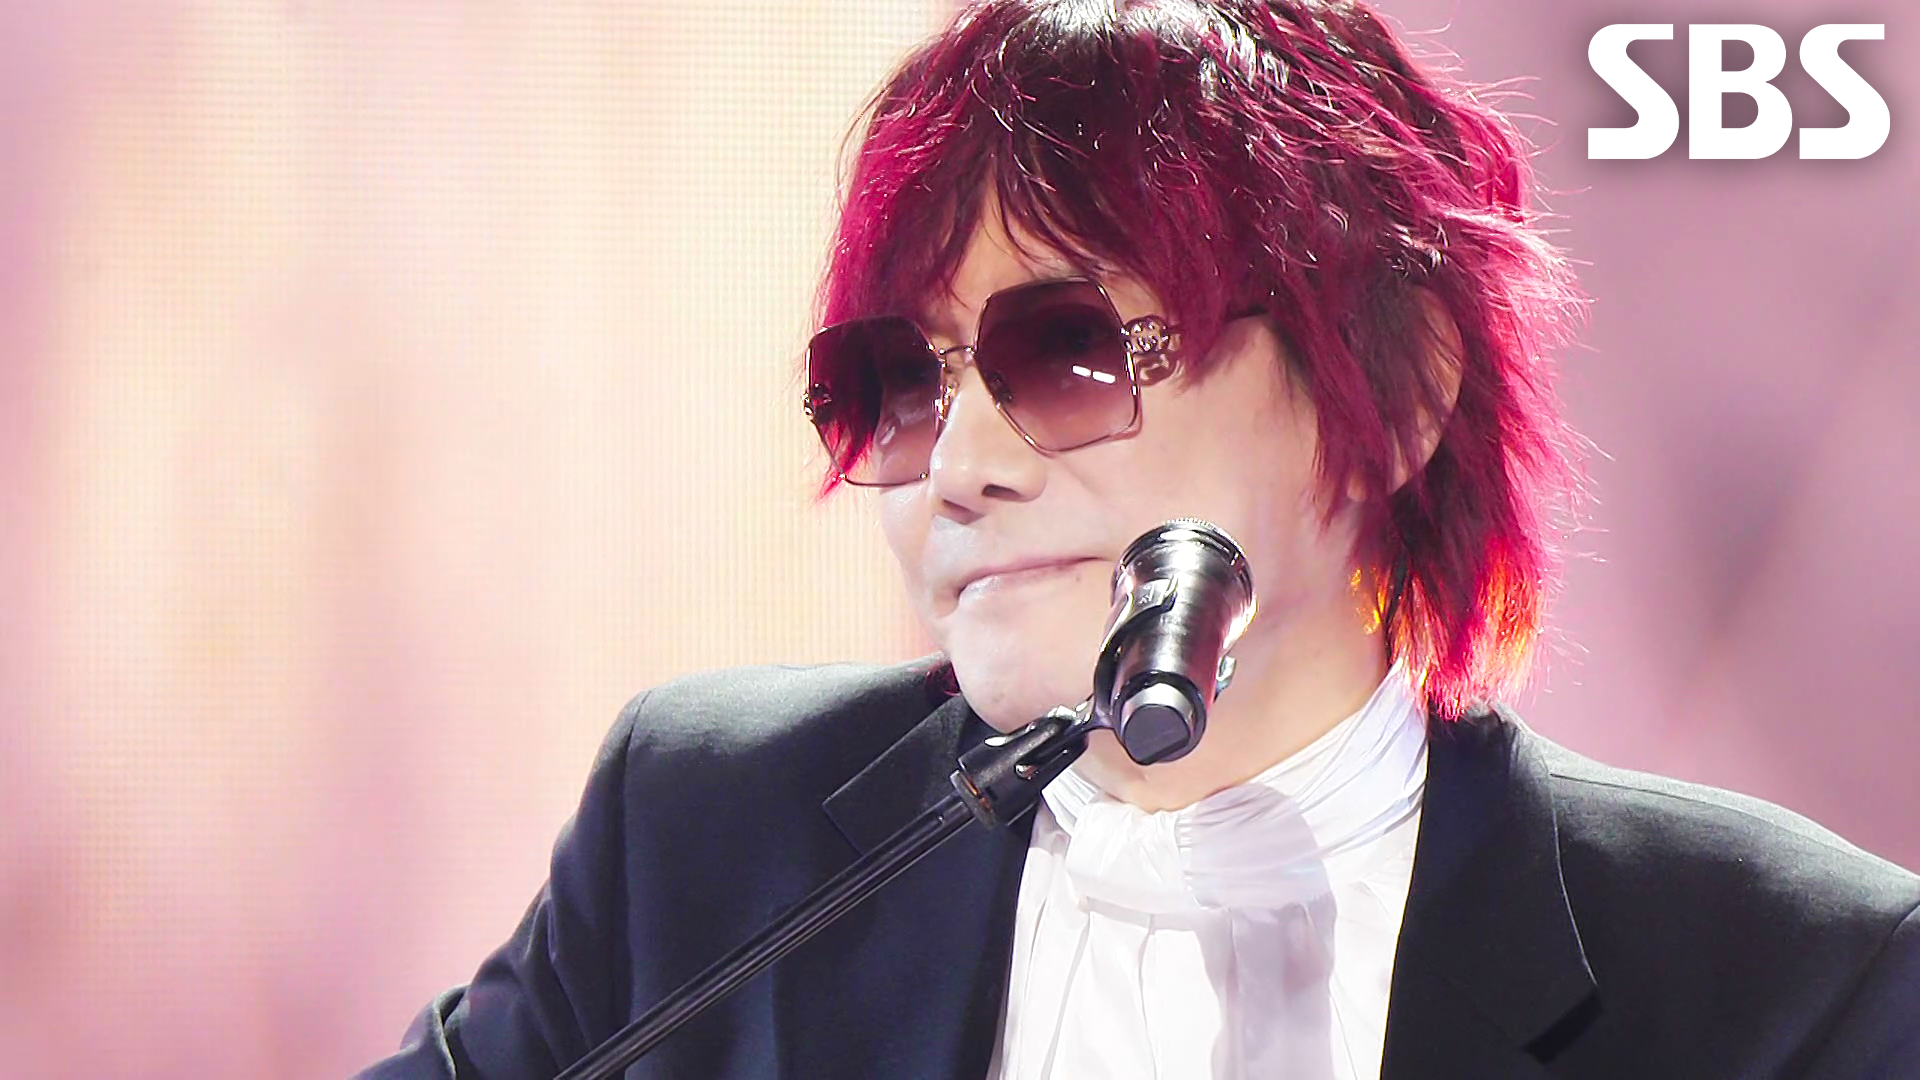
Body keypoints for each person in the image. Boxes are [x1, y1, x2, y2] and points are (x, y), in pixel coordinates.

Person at [359, 1, 1920, 1077]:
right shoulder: (699, 833)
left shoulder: (1795, 978)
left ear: (1397, 389)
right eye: (899, 383)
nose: (958, 468)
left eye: (1066, 350)